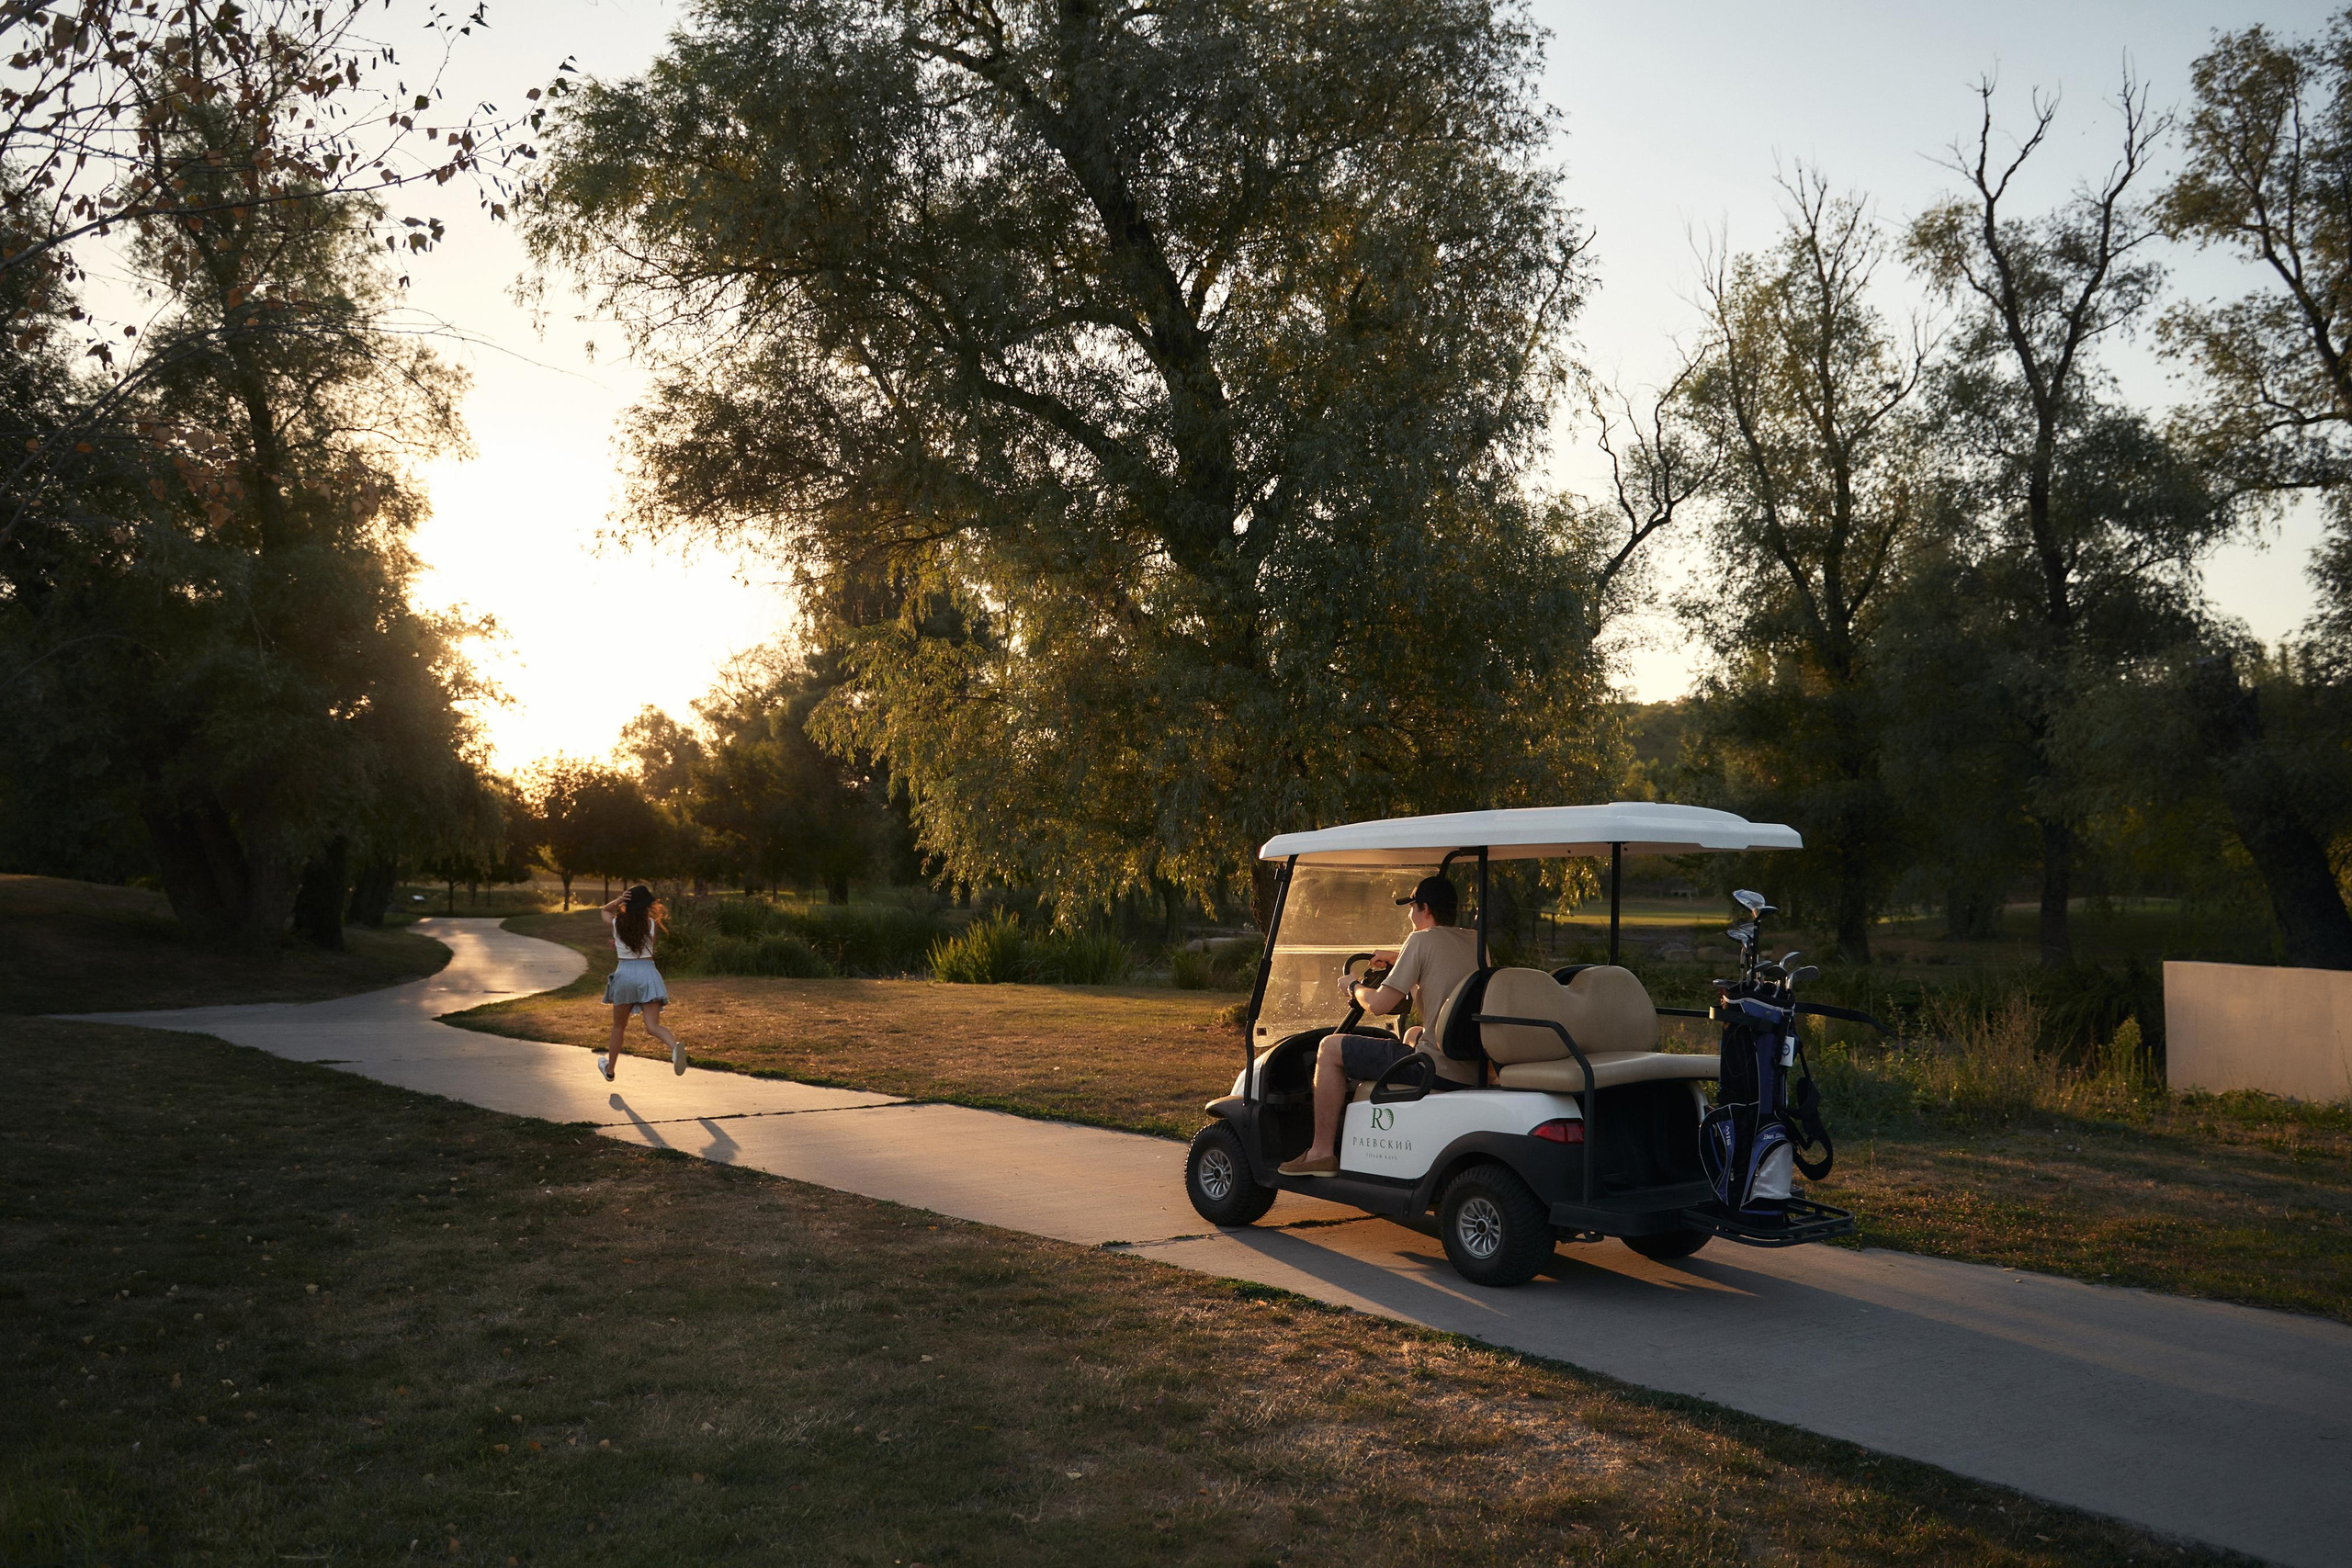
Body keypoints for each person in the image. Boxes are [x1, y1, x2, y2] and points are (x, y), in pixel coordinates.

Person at [1278, 874, 1480, 1177]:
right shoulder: (1475, 940)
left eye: (1412, 908)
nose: (1410, 916)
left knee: (1330, 1048)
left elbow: (1378, 1005)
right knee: (1411, 1033)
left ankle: (1320, 1153)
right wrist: (1397, 959)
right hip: (1468, 1067)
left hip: (1434, 1067)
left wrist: (1353, 986)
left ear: (1425, 909)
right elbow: (1438, 962)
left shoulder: (1420, 940)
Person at [598, 884, 684, 1080]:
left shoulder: (617, 924)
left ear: (628, 904)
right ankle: (674, 1049)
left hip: (625, 974)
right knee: (652, 1026)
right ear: (645, 905)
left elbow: (604, 910)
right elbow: (647, 949)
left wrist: (619, 900)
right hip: (648, 973)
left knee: (619, 1027)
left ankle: (610, 1070)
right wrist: (620, 943)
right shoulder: (652, 924)